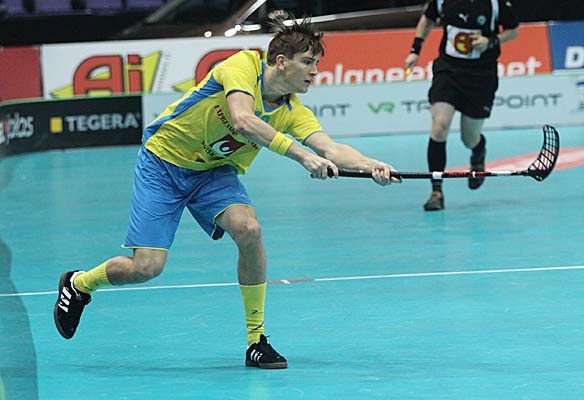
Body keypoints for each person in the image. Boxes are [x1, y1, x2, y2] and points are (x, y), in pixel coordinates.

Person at [53, 18, 398, 370]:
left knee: (249, 229)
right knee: (146, 268)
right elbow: (242, 120)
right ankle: (80, 283)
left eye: (317, 64)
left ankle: (256, 340)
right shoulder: (242, 66)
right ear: (281, 61)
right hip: (163, 163)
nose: (315, 71)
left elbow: (331, 149)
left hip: (213, 173)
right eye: (308, 62)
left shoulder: (293, 112)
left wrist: (372, 166)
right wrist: (302, 156)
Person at [405, 0, 519, 211]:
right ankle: (436, 191)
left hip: (481, 76)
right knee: (439, 126)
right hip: (448, 71)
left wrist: (490, 41)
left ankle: (478, 149)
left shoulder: (495, 3)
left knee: (469, 138)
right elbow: (427, 19)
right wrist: (415, 49)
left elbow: (513, 31)